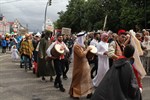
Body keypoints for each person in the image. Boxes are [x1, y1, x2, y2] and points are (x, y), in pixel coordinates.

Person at [69, 32, 93, 99]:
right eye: (84, 37)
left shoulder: (82, 45)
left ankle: (89, 92)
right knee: (77, 80)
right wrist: (88, 49)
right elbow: (81, 55)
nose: (85, 39)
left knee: (87, 80)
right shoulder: (76, 46)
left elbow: (86, 55)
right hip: (79, 66)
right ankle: (75, 94)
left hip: (85, 65)